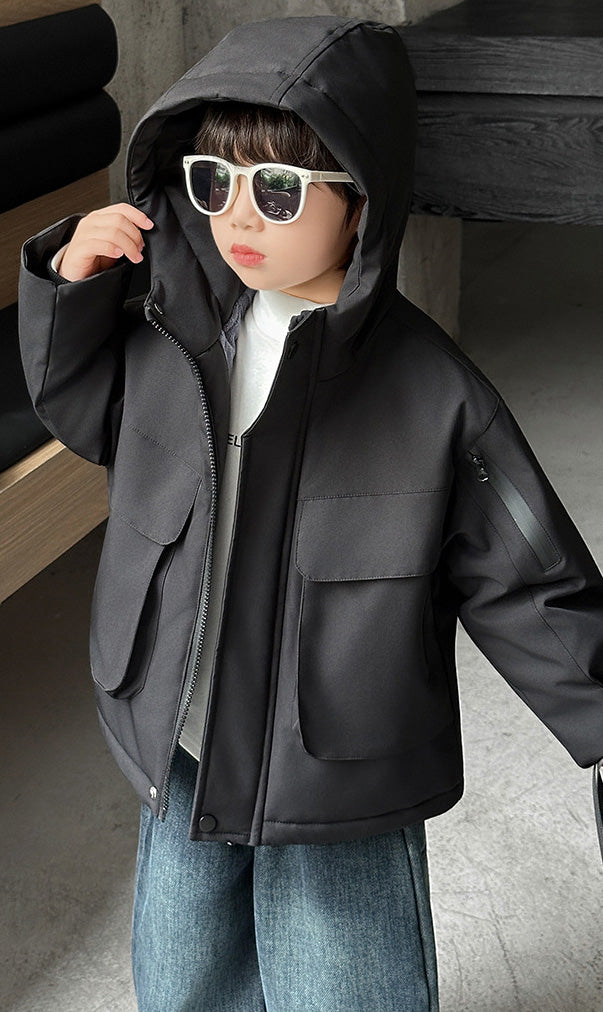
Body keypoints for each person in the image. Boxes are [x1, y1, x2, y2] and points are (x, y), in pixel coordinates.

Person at [17, 15, 603, 1012]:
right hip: (182, 729)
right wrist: (71, 291)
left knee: (347, 978)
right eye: (214, 182)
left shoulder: (432, 395)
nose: (238, 217)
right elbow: (82, 414)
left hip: (336, 762)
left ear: (360, 199)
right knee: (183, 965)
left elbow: (527, 579)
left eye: (280, 190)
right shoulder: (167, 330)